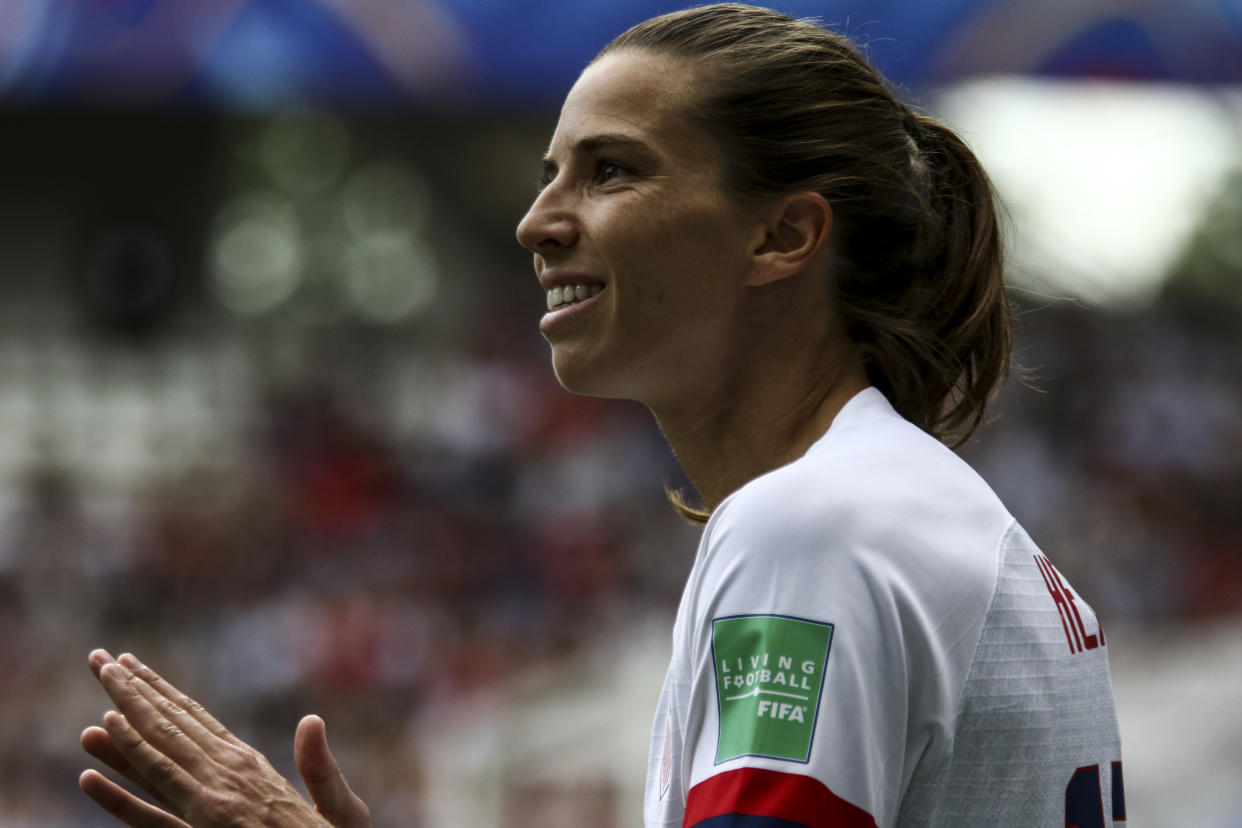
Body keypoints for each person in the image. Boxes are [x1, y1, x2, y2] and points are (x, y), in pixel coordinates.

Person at [80, 4, 1124, 827]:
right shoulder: (908, 511)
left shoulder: (812, 529)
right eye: (550, 177)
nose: (538, 221)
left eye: (612, 170)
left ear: (784, 236)